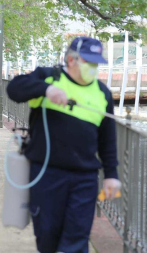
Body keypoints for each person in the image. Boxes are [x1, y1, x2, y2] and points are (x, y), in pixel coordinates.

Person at [7, 37, 121, 253]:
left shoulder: (102, 94)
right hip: (47, 173)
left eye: (96, 64)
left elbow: (108, 139)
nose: (93, 68)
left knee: (77, 239)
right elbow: (15, 89)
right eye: (88, 62)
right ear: (71, 59)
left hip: (85, 177)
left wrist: (111, 175)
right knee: (48, 235)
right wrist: (45, 90)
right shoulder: (50, 77)